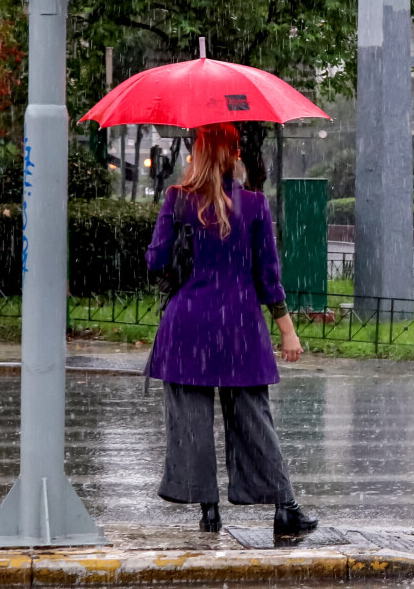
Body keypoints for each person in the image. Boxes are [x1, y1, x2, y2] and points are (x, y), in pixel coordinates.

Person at [146, 123, 317, 536]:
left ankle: (208, 509)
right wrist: (288, 332)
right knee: (254, 419)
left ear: (199, 153)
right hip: (239, 327)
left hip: (187, 326)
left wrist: (179, 264)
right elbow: (268, 276)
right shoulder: (255, 205)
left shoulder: (177, 200)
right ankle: (284, 507)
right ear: (233, 155)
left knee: (190, 421)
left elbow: (155, 262)